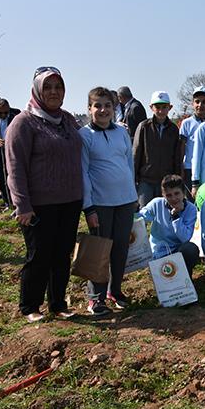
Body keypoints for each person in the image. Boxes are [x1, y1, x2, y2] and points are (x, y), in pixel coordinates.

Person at [5, 66, 82, 322]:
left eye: (58, 87)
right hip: (39, 205)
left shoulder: (68, 120)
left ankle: (58, 303)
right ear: (37, 90)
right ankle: (30, 306)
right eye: (47, 87)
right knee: (39, 256)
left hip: (69, 201)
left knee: (61, 255)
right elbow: (15, 167)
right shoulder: (23, 123)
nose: (53, 92)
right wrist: (22, 205)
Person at [80, 87, 138, 315]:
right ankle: (96, 298)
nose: (103, 110)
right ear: (89, 109)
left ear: (114, 108)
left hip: (124, 200)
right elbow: (82, 172)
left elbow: (128, 163)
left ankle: (116, 290)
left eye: (107, 106)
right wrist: (88, 206)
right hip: (100, 203)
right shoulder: (84, 135)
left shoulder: (121, 132)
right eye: (98, 105)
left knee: (121, 248)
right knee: (99, 250)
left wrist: (133, 195)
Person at [137, 175, 199, 274]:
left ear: (183, 193)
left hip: (177, 250)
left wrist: (176, 217)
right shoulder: (157, 204)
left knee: (190, 249)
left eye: (176, 193)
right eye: (169, 195)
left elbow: (185, 238)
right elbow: (140, 218)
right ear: (163, 195)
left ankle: (185, 278)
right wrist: (134, 208)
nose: (174, 198)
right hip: (158, 252)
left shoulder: (191, 209)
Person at [132, 91, 182, 208]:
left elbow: (176, 156)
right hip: (146, 180)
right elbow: (136, 154)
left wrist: (177, 179)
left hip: (166, 181)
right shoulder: (144, 126)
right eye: (157, 107)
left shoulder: (174, 129)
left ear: (170, 107)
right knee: (143, 213)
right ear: (151, 107)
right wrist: (133, 179)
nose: (160, 110)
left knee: (166, 213)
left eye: (164, 107)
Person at [179, 86, 205, 198]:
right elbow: (182, 146)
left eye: (204, 102)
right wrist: (181, 168)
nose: (200, 105)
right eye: (197, 102)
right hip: (189, 168)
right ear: (193, 103)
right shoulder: (187, 123)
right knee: (191, 199)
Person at [0, 98, 18, 207]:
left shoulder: (16, 115)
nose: (3, 115)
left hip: (14, 152)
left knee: (15, 176)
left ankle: (17, 201)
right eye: (0, 113)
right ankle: (8, 203)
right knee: (1, 177)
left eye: (5, 112)